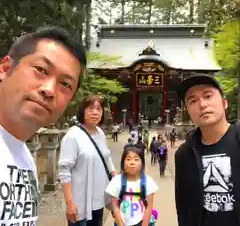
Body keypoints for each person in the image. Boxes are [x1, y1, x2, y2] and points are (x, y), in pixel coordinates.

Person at [0, 26, 86, 225]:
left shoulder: (25, 159)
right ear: (5, 68)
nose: (49, 90)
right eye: (41, 70)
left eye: (65, 85)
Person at [175, 74, 240, 226]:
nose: (202, 105)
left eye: (208, 96)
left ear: (224, 103)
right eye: (193, 101)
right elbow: (183, 208)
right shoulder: (184, 155)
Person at [58, 95, 116, 226]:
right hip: (79, 203)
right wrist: (70, 202)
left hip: (98, 201)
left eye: (98, 109)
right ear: (82, 111)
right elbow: (64, 170)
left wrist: (115, 177)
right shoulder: (72, 136)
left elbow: (106, 157)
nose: (95, 112)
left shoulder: (100, 133)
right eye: (90, 109)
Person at [105, 147, 159, 226]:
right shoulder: (116, 182)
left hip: (141, 222)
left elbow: (149, 207)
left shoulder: (148, 182)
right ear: (123, 163)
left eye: (136, 159)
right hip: (121, 222)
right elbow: (115, 206)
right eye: (128, 159)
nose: (132, 162)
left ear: (142, 163)